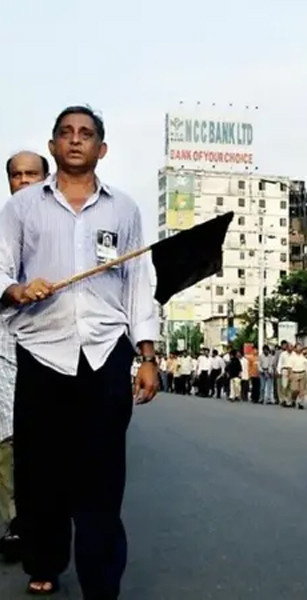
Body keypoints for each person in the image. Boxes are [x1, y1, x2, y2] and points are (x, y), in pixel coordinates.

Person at [0, 106, 161, 598]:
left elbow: (138, 286)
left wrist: (147, 355)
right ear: (53, 147)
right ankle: (45, 559)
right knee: (39, 471)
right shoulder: (23, 208)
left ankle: (101, 579)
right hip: (42, 352)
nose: (75, 141)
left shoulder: (124, 210)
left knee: (102, 476)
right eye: (66, 133)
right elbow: (1, 268)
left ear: (101, 149)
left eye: (86, 134)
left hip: (104, 355)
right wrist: (16, 290)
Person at [0, 151, 48, 564]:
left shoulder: (61, 231)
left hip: (47, 358)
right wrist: (15, 290)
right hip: (4, 357)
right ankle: (18, 523)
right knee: (7, 446)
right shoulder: (4, 228)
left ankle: (40, 523)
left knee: (41, 450)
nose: (23, 181)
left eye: (32, 174)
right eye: (16, 175)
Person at [286, 345, 307, 410]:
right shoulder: (292, 357)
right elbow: (289, 367)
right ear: (295, 349)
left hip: (303, 373)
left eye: (301, 347)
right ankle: (293, 400)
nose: (300, 349)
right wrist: (289, 375)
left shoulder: (303, 356)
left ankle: (301, 403)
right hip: (295, 373)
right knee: (295, 389)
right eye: (298, 347)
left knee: (302, 390)